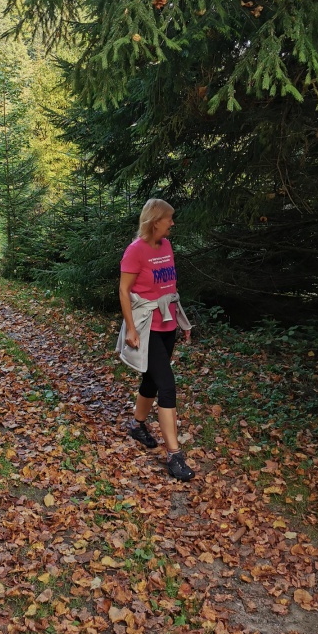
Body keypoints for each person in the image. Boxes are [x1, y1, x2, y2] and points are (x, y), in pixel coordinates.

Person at [117, 198, 195, 481]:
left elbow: (169, 286)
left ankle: (137, 425)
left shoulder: (167, 246)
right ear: (154, 221)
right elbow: (124, 291)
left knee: (151, 379)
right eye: (168, 218)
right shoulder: (135, 251)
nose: (172, 223)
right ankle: (174, 455)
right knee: (167, 386)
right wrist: (131, 329)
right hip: (147, 326)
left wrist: (181, 321)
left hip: (168, 323)